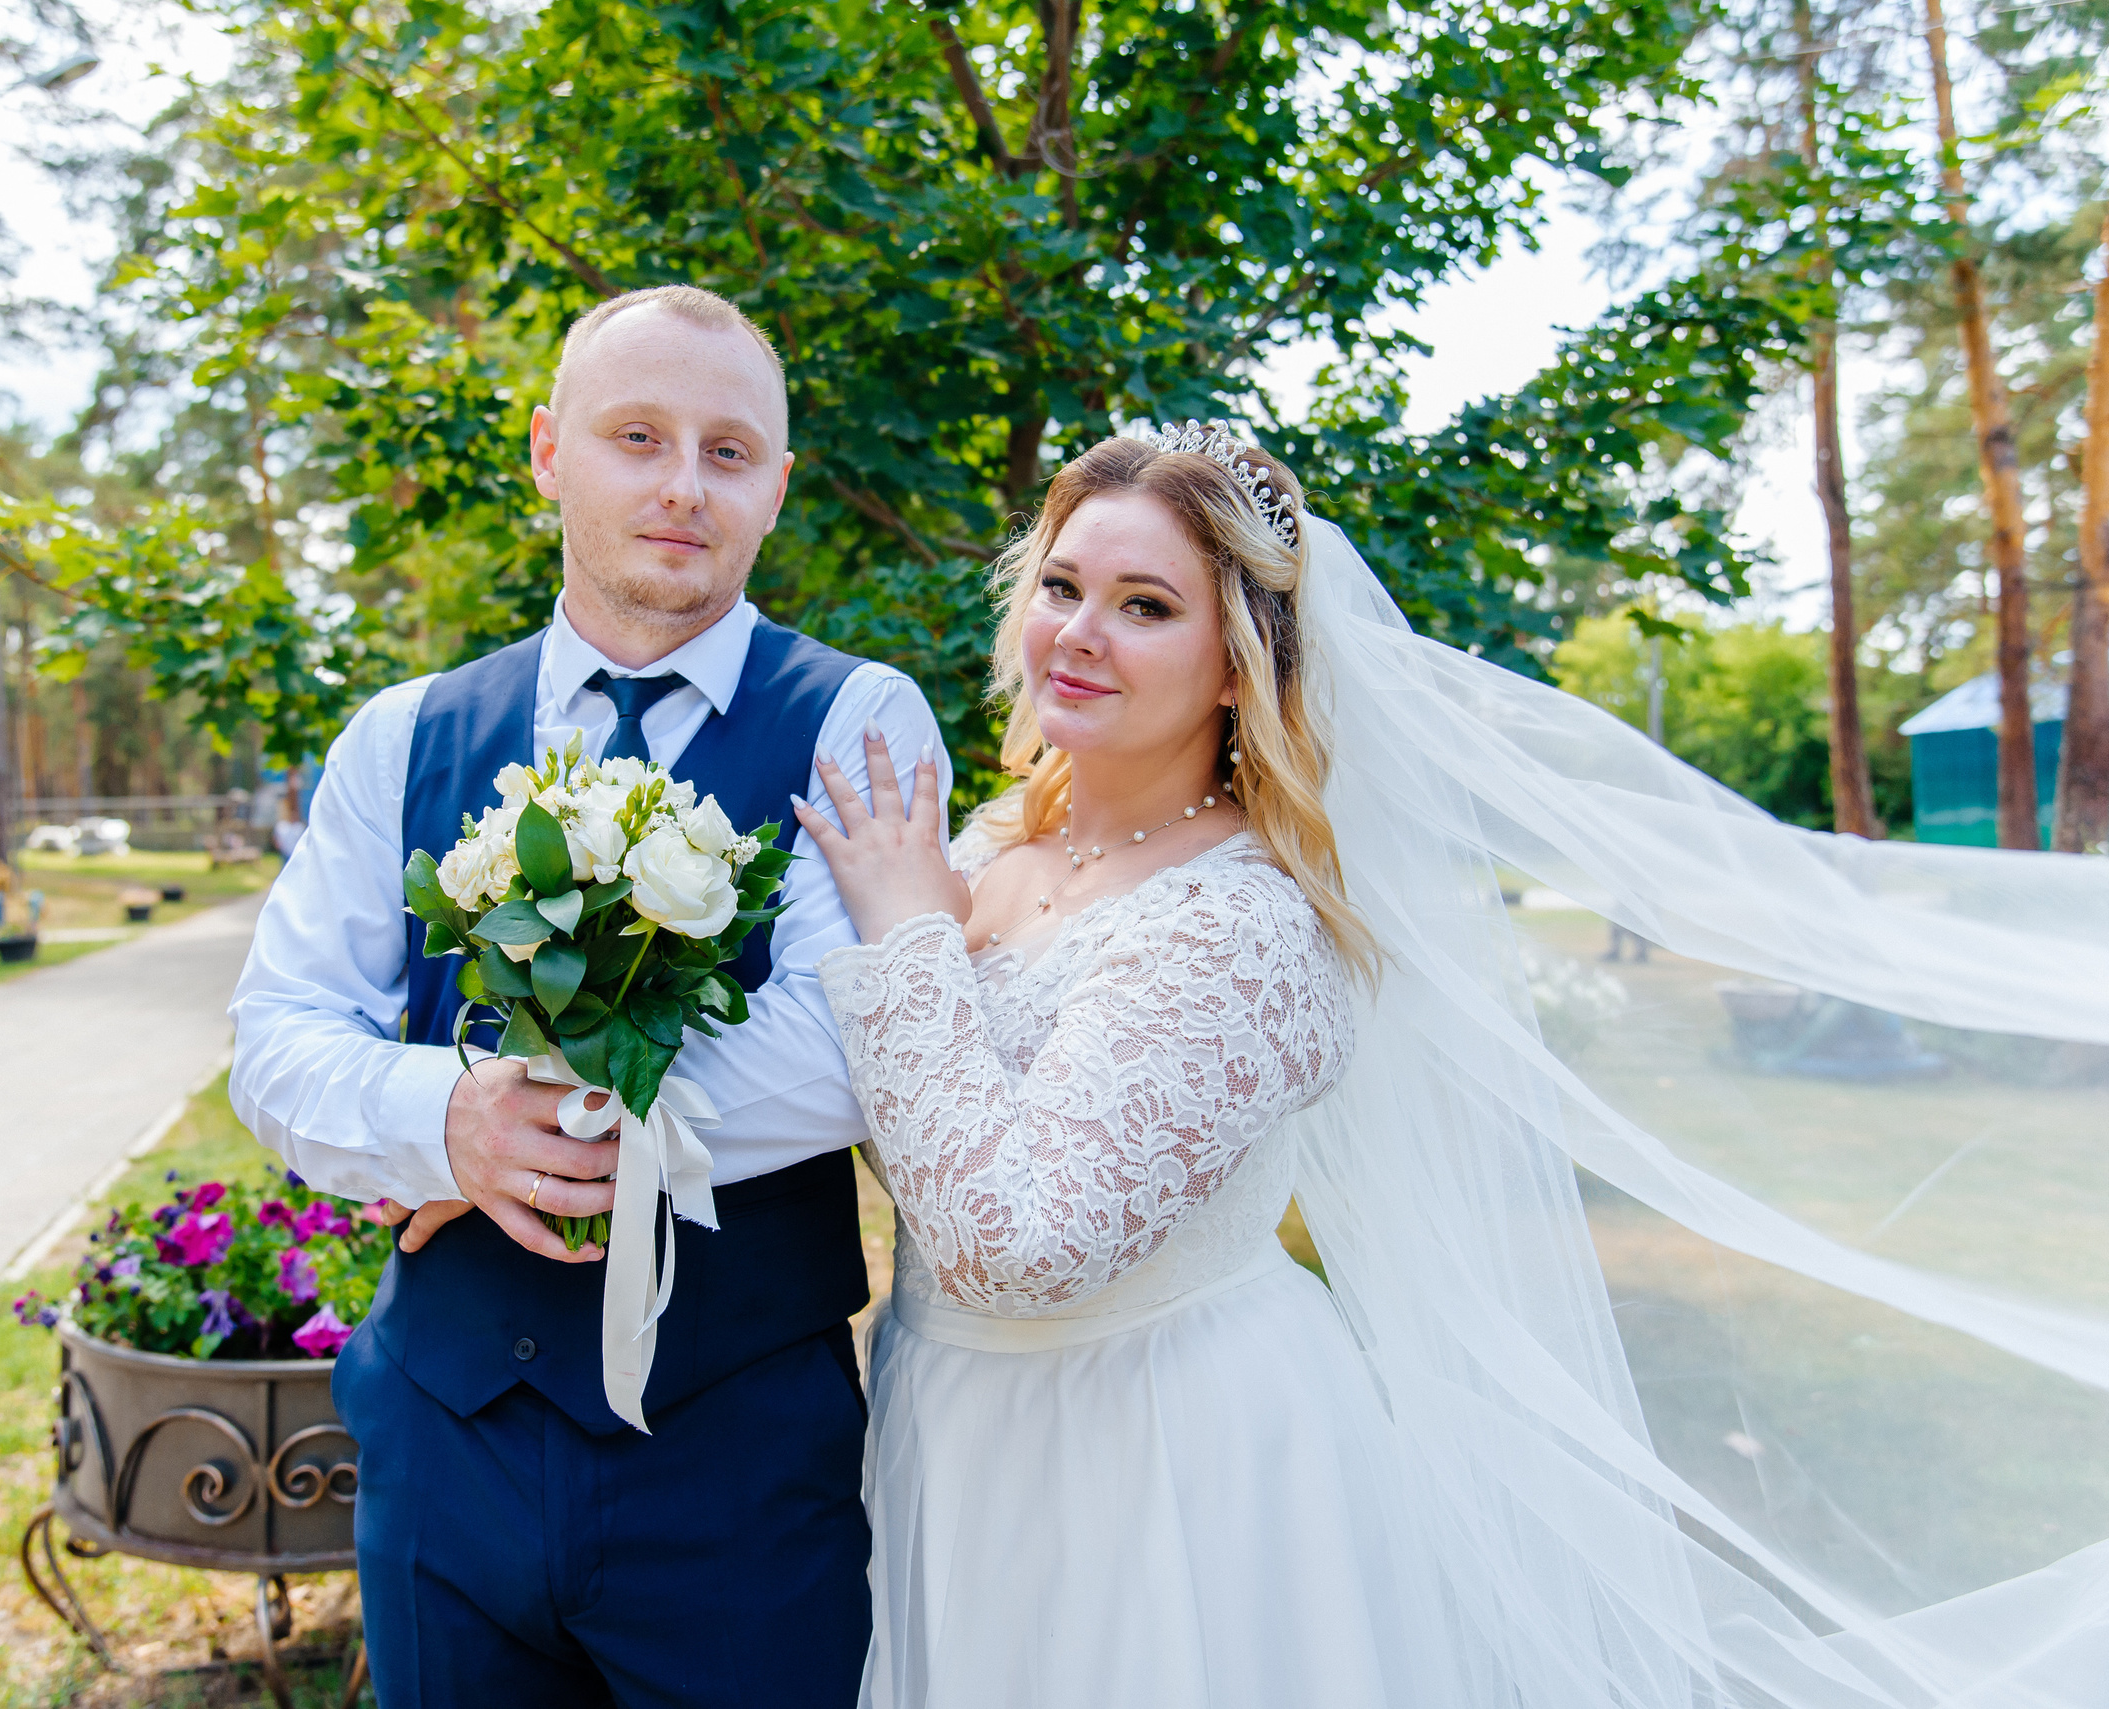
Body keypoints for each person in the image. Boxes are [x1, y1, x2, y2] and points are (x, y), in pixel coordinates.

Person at [794, 426, 2109, 1708]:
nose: (1079, 632)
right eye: (1064, 587)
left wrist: (908, 932)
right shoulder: (985, 849)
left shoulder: (1240, 923)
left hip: (1162, 1460)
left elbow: (1019, 1242)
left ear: (1239, 665)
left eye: (1144, 605)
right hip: (957, 1431)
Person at [226, 283, 948, 1708]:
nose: (684, 486)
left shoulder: (858, 721)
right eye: (638, 436)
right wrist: (447, 1120)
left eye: (730, 452)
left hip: (737, 1459)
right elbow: (279, 1036)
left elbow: (849, 1044)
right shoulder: (406, 735)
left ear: (779, 489)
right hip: (448, 1449)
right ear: (552, 452)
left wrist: (531, 1143)